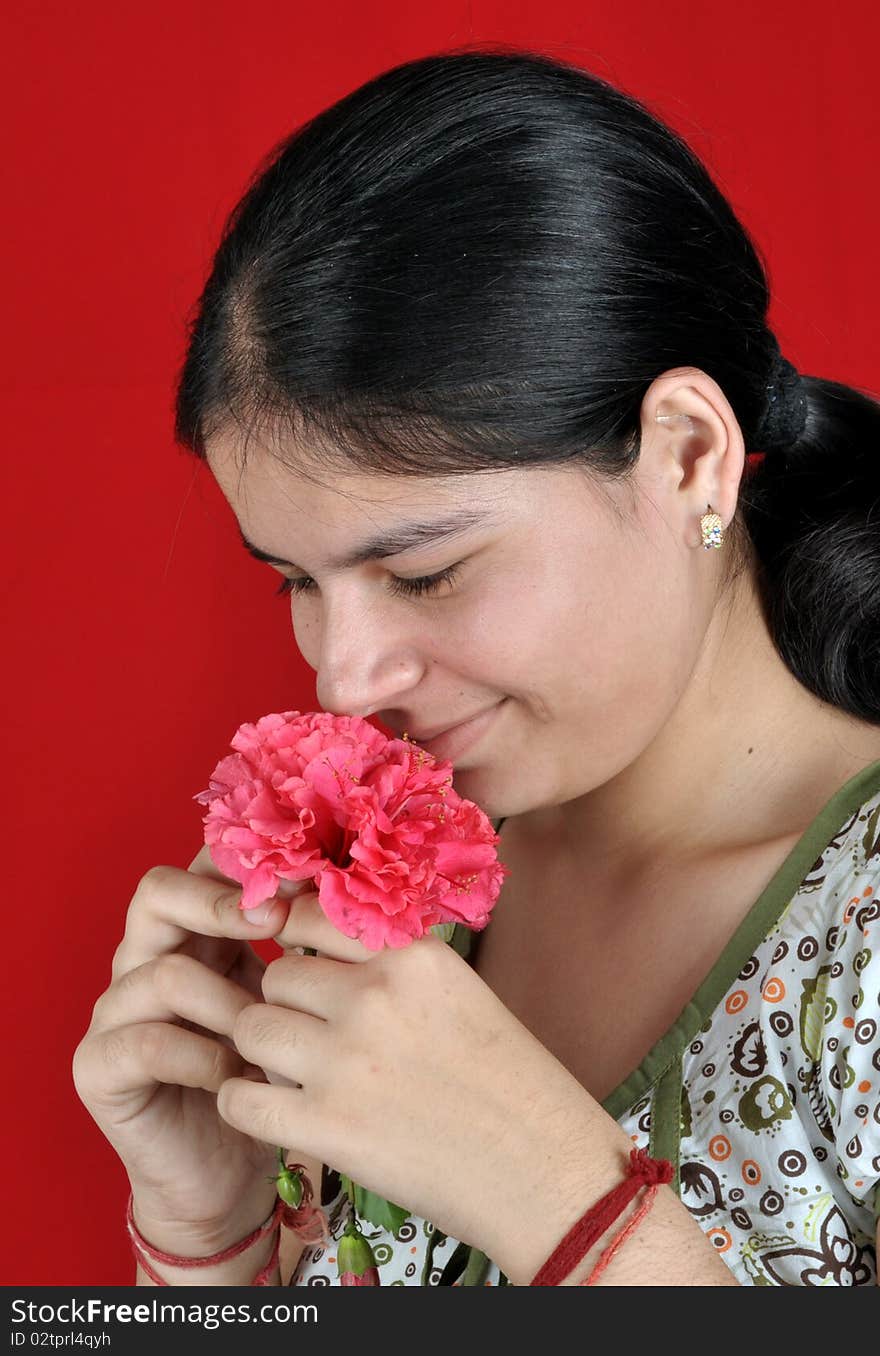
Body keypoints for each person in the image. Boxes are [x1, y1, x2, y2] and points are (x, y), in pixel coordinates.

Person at [73, 46, 880, 1287]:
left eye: (426, 572)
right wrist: (208, 1239)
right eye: (295, 580)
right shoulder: (403, 917)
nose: (346, 681)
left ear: (685, 457)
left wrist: (561, 1202)